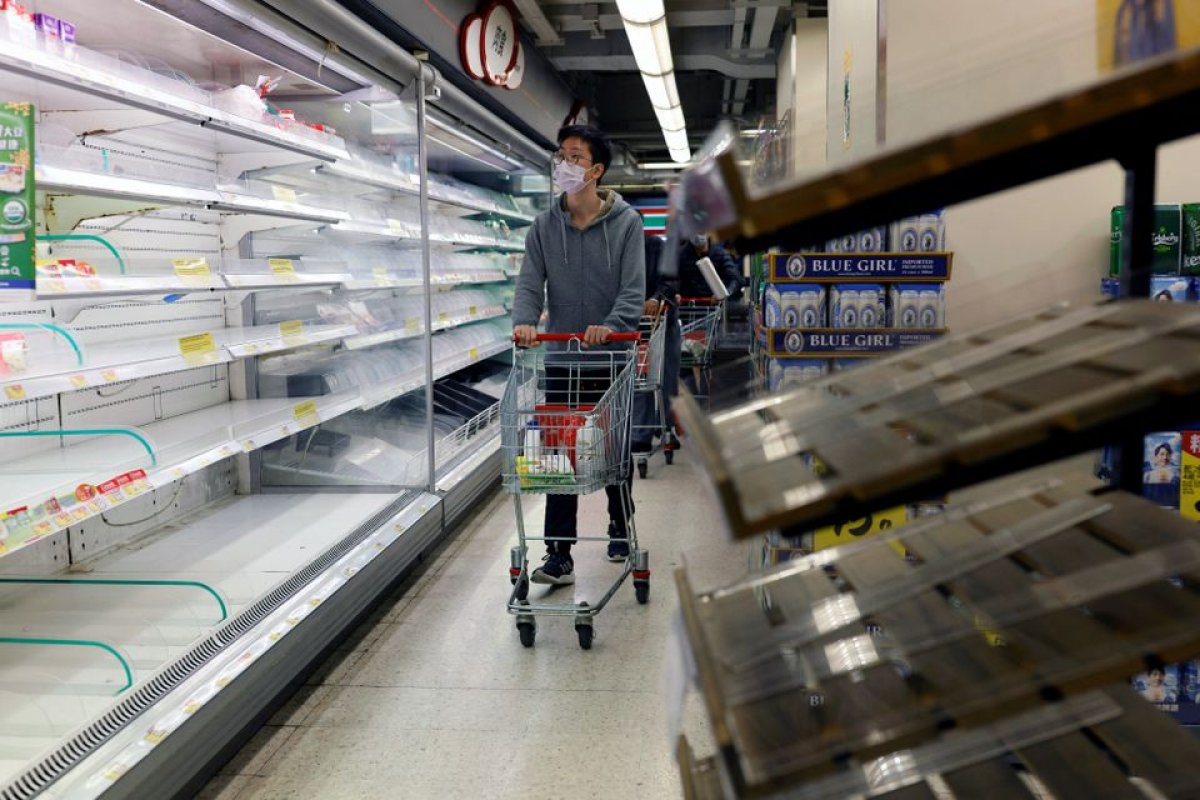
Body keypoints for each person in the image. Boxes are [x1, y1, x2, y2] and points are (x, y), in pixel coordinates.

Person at [511, 124, 645, 585]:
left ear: (596, 170)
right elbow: (530, 283)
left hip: (610, 358)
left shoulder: (627, 224)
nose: (563, 165)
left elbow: (633, 291)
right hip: (562, 358)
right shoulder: (544, 227)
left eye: (575, 157)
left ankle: (620, 522)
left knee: (610, 450)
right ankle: (558, 553)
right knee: (559, 454)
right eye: (560, 156)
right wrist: (525, 323)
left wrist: (611, 328)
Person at [631, 233, 681, 455]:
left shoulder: (656, 247)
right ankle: (640, 434)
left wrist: (655, 298)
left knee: (665, 375)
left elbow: (670, 279)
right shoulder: (615, 247)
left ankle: (667, 428)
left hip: (662, 320)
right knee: (639, 377)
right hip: (632, 323)